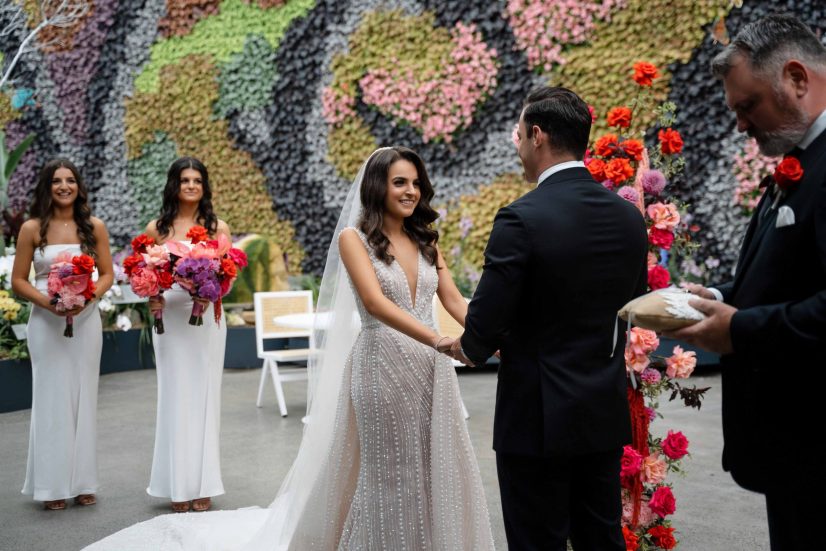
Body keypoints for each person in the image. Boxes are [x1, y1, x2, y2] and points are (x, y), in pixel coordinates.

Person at [450, 87, 648, 550]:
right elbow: (634, 304)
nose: (517, 144)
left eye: (518, 134)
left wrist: (467, 345)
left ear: (537, 135)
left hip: (535, 417)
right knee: (601, 536)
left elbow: (486, 321)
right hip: (600, 410)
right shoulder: (627, 217)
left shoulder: (521, 218)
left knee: (536, 540)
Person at [668, 14, 826, 551]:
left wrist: (740, 330)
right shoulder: (799, 162)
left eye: (747, 105)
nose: (740, 125)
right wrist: (715, 299)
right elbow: (785, 279)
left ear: (797, 79)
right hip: (795, 455)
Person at [12, 158, 114, 510]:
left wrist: (86, 298)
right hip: (46, 322)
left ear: (79, 186)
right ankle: (52, 485)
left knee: (84, 398)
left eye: (70, 180)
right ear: (47, 186)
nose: (64, 186)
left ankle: (83, 481)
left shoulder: (94, 227)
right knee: (51, 400)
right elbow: (19, 280)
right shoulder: (31, 229)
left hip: (86, 322)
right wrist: (49, 303)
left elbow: (107, 274)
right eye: (57, 181)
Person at [144, 157, 231, 513]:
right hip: (169, 319)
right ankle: (176, 483)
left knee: (205, 397)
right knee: (174, 397)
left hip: (206, 319)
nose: (191, 185)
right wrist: (151, 294)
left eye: (197, 180)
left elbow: (227, 275)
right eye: (184, 180)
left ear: (204, 185)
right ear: (174, 185)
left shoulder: (217, 226)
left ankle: (203, 482)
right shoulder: (157, 228)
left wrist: (212, 291)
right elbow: (145, 272)